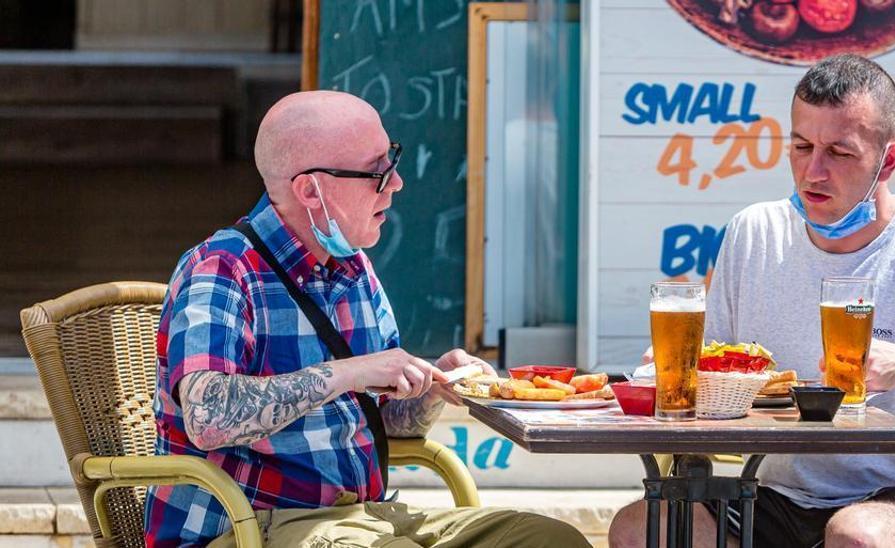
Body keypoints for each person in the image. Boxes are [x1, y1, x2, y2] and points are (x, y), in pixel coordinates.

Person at [609, 54, 895, 548]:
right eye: (802, 146)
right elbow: (718, 378)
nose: (814, 171)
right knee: (641, 529)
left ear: (888, 161)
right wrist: (675, 374)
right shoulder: (755, 232)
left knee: (858, 538)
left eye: (840, 152)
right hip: (768, 490)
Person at [144, 90, 590, 547]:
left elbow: (392, 426)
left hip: (368, 517)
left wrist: (434, 386)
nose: (396, 183)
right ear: (310, 190)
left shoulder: (352, 268)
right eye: (378, 170)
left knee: (551, 539)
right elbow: (207, 416)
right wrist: (352, 371)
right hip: (251, 526)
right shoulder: (222, 267)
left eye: (391, 161)